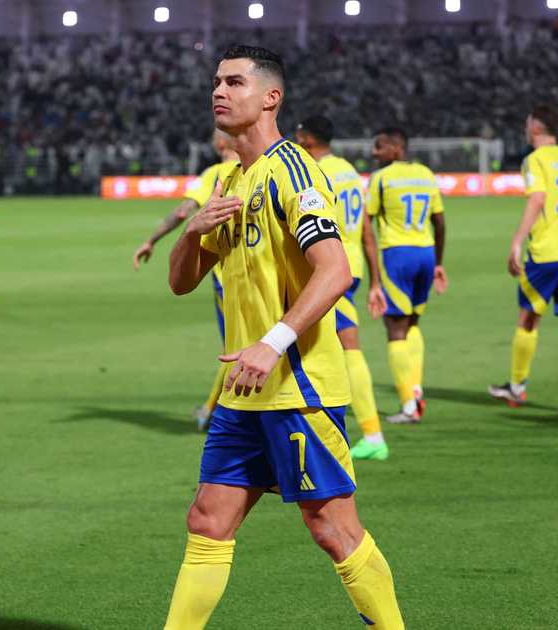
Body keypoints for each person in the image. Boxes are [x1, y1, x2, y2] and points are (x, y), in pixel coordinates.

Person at [162, 45, 405, 630]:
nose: (219, 91)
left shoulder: (292, 170)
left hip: (297, 385)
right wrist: (192, 233)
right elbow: (180, 282)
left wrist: (272, 342)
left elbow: (336, 269)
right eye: (216, 81)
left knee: (333, 529)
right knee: (208, 520)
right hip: (243, 389)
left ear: (271, 97)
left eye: (235, 82)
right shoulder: (231, 180)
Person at [489, 105, 558, 416]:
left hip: (547, 254)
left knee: (528, 319)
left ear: (535, 128)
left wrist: (517, 242)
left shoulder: (534, 160)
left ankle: (518, 386)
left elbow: (538, 198)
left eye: (527, 124)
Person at [296, 115, 391, 460]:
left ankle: (372, 434)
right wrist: (376, 282)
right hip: (353, 269)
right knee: (328, 347)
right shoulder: (349, 171)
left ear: (306, 139)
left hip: (330, 271)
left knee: (347, 348)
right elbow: (366, 229)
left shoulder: (313, 173)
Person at [133, 130, 239, 430]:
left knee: (235, 344)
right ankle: (215, 409)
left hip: (224, 273)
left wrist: (151, 240)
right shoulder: (253, 167)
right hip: (256, 270)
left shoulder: (216, 173)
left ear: (220, 143)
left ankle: (213, 412)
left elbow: (183, 212)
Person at [366, 127, 448, 424]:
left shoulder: (382, 179)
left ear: (396, 149)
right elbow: (440, 223)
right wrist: (438, 262)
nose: (374, 153)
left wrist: (374, 277)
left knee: (395, 329)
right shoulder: (426, 174)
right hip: (426, 253)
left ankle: (409, 406)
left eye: (380, 147)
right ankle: (415, 389)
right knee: (413, 322)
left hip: (396, 256)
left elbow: (367, 225)